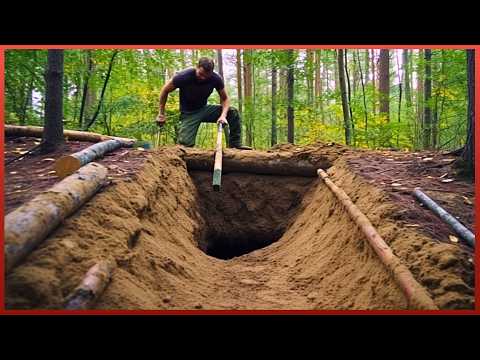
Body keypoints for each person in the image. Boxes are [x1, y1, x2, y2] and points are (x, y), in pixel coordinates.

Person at [155, 57, 251, 149]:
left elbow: (225, 99)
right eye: (200, 74)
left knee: (232, 112)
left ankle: (235, 145)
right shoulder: (183, 76)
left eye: (206, 75)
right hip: (189, 114)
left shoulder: (215, 79)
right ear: (197, 67)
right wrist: (161, 113)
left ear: (211, 72)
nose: (203, 78)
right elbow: (165, 90)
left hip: (204, 109)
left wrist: (223, 116)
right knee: (185, 145)